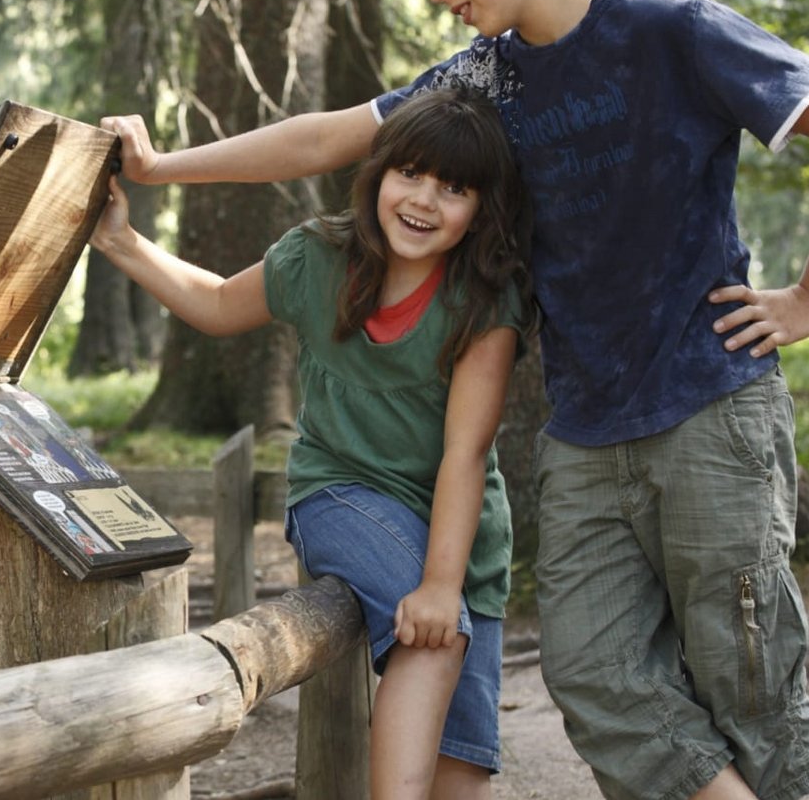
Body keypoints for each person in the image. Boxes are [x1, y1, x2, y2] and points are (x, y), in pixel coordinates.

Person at [102, 0, 809, 797]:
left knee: (745, 669)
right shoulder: (485, 79)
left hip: (710, 409)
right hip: (585, 436)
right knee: (594, 671)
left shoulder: (672, 32)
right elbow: (329, 136)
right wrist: (162, 169)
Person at [95, 87, 531, 800]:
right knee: (436, 633)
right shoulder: (320, 257)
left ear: (482, 207)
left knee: (462, 773)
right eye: (411, 173)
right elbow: (213, 303)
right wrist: (121, 240)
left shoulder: (486, 298)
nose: (424, 199)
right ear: (379, 172)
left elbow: (466, 452)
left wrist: (444, 580)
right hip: (343, 493)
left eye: (454, 188)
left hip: (462, 535)